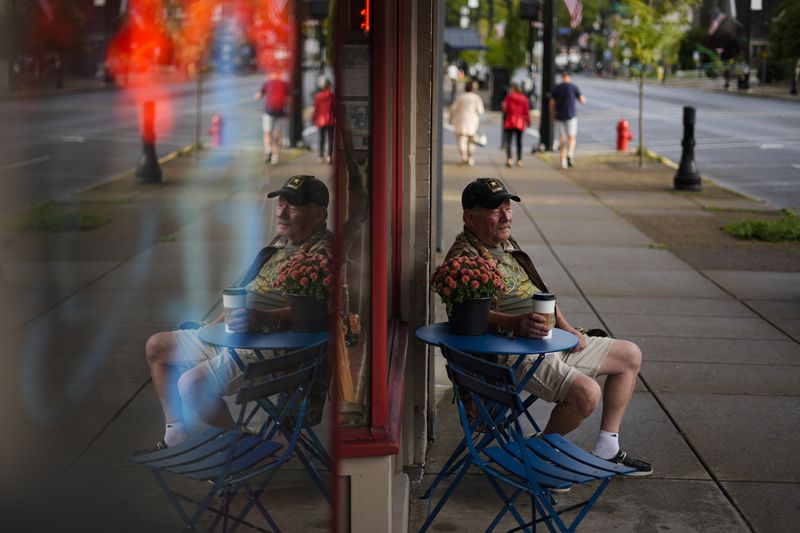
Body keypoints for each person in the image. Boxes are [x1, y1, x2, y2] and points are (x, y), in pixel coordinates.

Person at [444, 177, 652, 475]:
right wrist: (514, 323)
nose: (506, 216)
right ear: (469, 217)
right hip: (512, 351)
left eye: (507, 207)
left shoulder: (505, 244)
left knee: (629, 355)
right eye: (495, 210)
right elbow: (463, 315)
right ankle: (541, 451)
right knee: (586, 394)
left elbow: (538, 290)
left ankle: (608, 448)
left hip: (550, 339)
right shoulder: (463, 258)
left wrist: (566, 326)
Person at [140, 175, 333, 451]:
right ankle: (176, 434)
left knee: (192, 385)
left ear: (318, 214)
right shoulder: (282, 243)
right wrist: (214, 325)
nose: (281, 212)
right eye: (280, 204)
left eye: (293, 206)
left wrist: (263, 318)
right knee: (157, 347)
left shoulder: (323, 253)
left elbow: (319, 313)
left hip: (273, 345)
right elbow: (246, 292)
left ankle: (249, 440)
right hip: (236, 333)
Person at [550, 70, 586, 169]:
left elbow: (552, 103)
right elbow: (582, 100)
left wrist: (552, 114)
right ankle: (570, 153)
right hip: (571, 116)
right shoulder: (574, 87)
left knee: (562, 138)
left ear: (562, 77)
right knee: (572, 137)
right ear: (569, 77)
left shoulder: (557, 88)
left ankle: (563, 160)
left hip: (559, 116)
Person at [255, 71, 291, 165]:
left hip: (268, 111)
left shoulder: (267, 83)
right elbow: (290, 98)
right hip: (280, 112)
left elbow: (258, 96)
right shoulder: (284, 84)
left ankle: (268, 151)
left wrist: (258, 96)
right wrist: (288, 111)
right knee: (277, 135)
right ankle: (275, 156)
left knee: (267, 133)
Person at [449, 81, 485, 166]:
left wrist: (450, 119)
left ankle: (463, 156)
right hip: (473, 122)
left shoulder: (460, 97)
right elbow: (481, 111)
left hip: (461, 121)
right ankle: (470, 158)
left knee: (462, 140)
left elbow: (453, 108)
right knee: (471, 141)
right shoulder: (476, 98)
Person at [501, 83, 530, 168]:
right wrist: (528, 122)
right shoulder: (524, 99)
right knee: (519, 142)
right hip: (520, 122)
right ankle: (519, 160)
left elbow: (505, 108)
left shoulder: (508, 97)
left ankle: (509, 159)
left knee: (509, 142)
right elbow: (526, 111)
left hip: (510, 121)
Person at [313, 79, 335, 164]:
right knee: (330, 139)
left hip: (321, 120)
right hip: (330, 119)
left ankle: (321, 156)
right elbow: (335, 107)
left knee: (321, 139)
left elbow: (316, 108)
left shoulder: (318, 96)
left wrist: (314, 118)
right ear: (329, 86)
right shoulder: (332, 96)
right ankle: (329, 156)